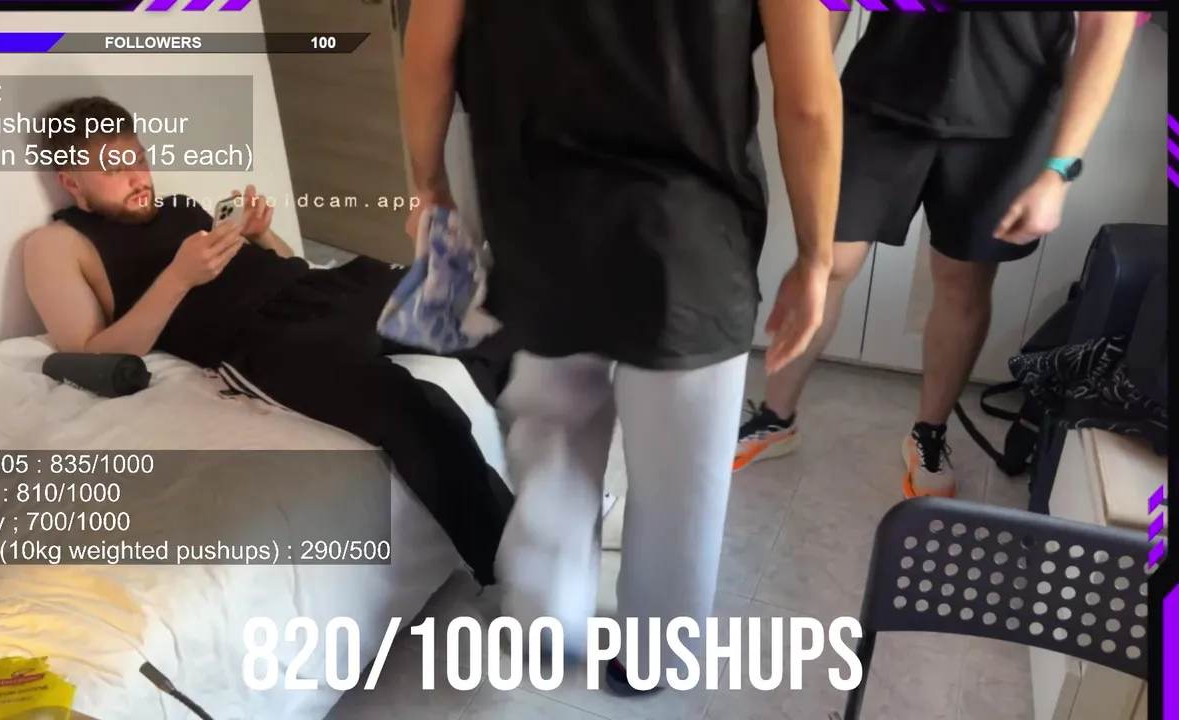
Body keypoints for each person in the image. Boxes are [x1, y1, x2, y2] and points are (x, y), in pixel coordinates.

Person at [402, 0, 842, 694]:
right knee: (682, 480)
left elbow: (428, 53)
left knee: (551, 431)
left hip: (538, 225)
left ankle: (546, 615)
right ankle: (656, 655)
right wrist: (815, 257)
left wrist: (430, 186)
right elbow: (809, 99)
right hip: (689, 243)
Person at [22, 96, 515, 584]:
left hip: (323, 289)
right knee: (415, 413)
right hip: (266, 337)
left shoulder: (180, 207)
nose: (138, 178)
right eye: (114, 168)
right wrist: (178, 279)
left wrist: (260, 236)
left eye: (139, 159)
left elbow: (287, 264)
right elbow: (89, 354)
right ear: (72, 181)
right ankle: (514, 566)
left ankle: (551, 471)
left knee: (491, 312)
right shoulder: (58, 244)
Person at [735, 11, 1139, 499]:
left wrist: (1060, 169)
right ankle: (775, 417)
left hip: (1009, 122)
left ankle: (928, 432)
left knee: (962, 282)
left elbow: (1108, 28)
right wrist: (803, 100)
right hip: (878, 99)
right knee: (826, 263)